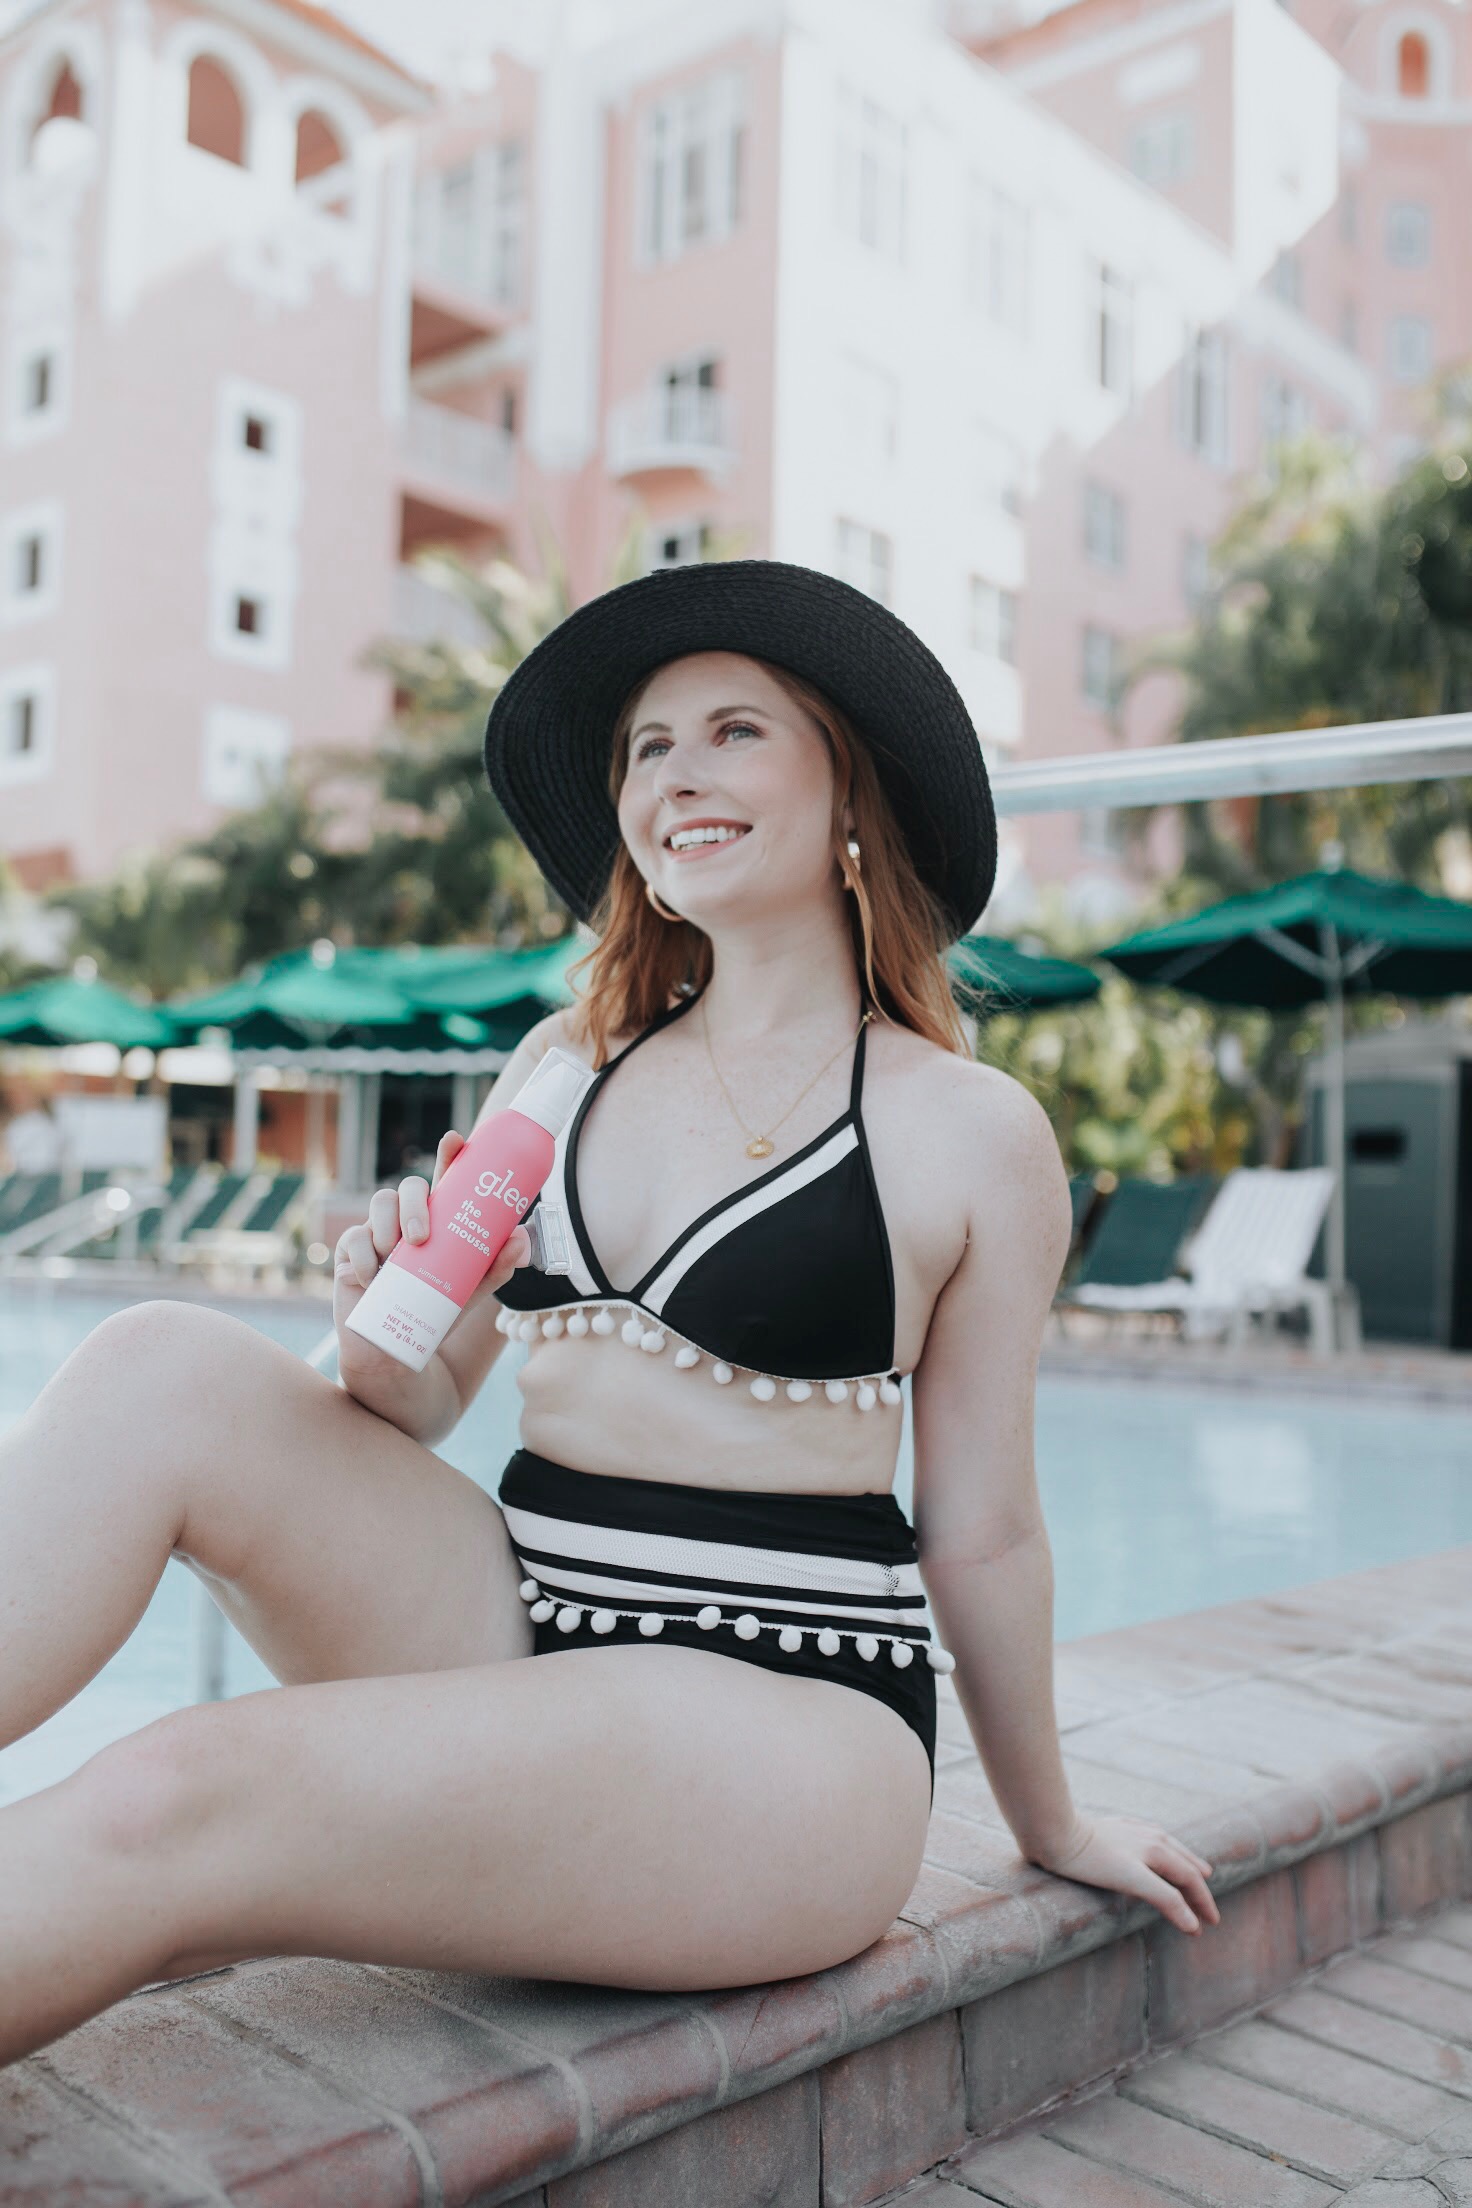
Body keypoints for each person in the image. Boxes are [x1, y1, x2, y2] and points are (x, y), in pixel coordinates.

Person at [0, 560, 1217, 2069]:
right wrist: (371, 1302)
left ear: (852, 794)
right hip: (519, 1625)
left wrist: (1055, 1822)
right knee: (152, 1365)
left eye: (733, 732)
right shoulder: (562, 1066)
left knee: (178, 1789)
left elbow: (983, 1529)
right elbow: (415, 1399)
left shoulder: (964, 1129)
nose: (677, 775)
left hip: (778, 1729)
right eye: (648, 747)